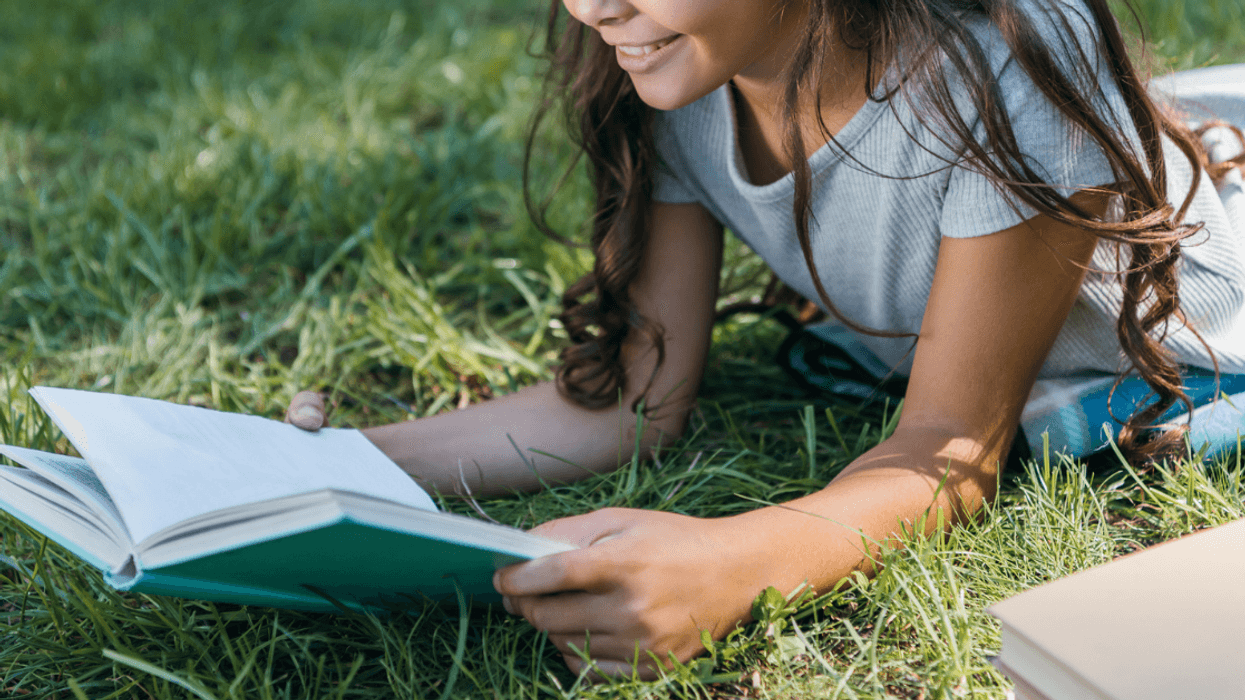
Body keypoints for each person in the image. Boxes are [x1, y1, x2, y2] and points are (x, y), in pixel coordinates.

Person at [286, 0, 1245, 679]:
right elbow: (630, 401)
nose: (589, 9)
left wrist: (733, 565)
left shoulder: (1008, 56)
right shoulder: (679, 67)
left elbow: (949, 448)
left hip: (1201, 314)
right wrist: (328, 465)